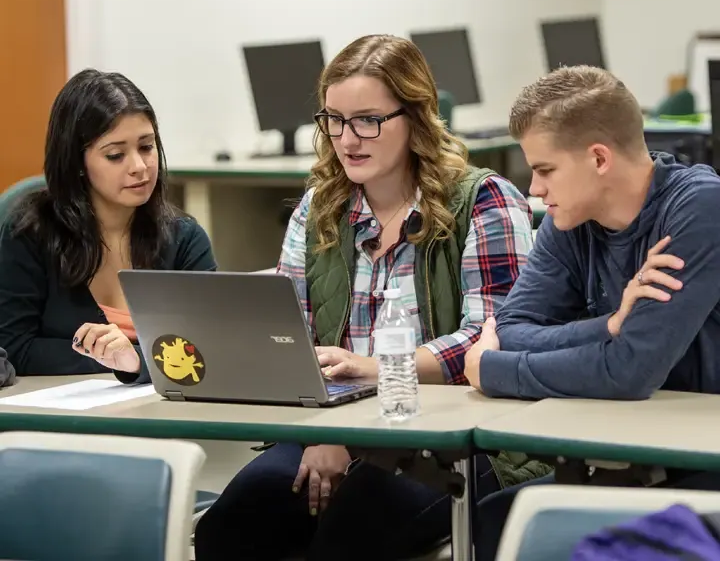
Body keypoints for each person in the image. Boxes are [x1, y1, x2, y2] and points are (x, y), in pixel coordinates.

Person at [194, 34, 550, 561]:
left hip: (454, 436)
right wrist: (329, 432)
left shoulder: (485, 200)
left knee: (347, 533)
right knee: (230, 527)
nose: (346, 138)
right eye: (333, 119)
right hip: (335, 421)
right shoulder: (320, 208)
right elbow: (289, 333)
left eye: (367, 120)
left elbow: (493, 337)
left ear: (416, 116)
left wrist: (379, 368)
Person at [462, 65, 720, 560]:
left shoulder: (698, 207)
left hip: (703, 463)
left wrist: (493, 370)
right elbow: (513, 327)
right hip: (631, 452)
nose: (535, 189)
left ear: (598, 158)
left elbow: (629, 371)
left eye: (544, 169)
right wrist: (608, 326)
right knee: (492, 522)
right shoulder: (572, 216)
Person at [0, 69, 216, 379]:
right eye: (115, 155)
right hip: (58, 415)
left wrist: (137, 362)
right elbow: (14, 349)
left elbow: (211, 343)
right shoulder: (31, 234)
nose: (139, 167)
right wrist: (114, 360)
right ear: (76, 162)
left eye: (146, 147)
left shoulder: (184, 237)